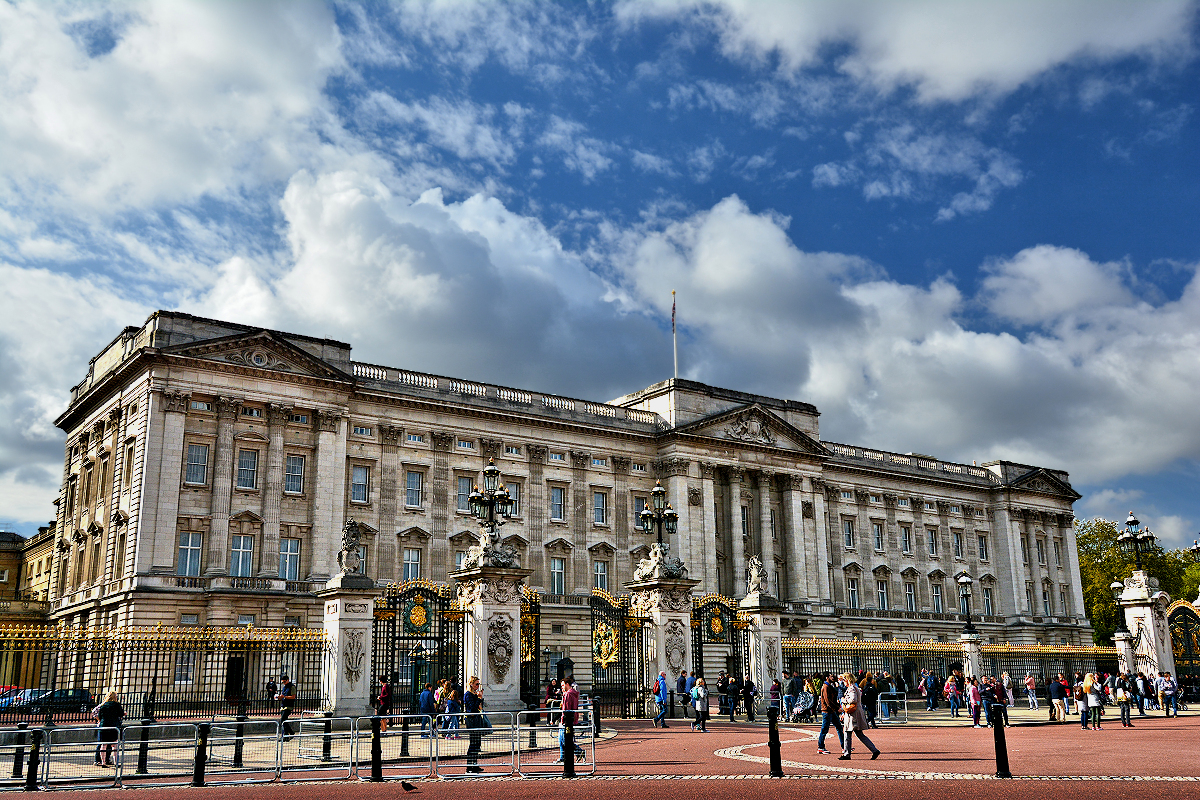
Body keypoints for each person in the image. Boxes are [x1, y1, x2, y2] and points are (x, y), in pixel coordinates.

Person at [837, 673, 880, 760]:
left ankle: (847, 754)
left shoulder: (852, 688)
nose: (844, 682)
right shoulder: (854, 687)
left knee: (847, 733)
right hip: (855, 713)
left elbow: (853, 700)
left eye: (844, 680)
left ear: (848, 680)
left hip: (853, 714)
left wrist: (843, 700)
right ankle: (874, 750)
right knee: (860, 734)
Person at [91, 691, 125, 767]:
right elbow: (121, 713)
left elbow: (99, 716)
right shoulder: (116, 705)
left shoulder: (103, 705)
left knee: (103, 745)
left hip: (104, 726)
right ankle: (116, 763)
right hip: (113, 726)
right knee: (115, 745)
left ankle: (103, 762)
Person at [558, 678, 585, 762]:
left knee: (564, 740)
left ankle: (579, 751)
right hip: (572, 718)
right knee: (562, 739)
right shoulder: (572, 693)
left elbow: (566, 708)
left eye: (563, 685)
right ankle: (563, 757)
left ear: (567, 684)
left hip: (567, 720)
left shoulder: (568, 694)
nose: (562, 687)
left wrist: (563, 720)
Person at [816, 673, 844, 754]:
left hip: (831, 711)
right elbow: (828, 700)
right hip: (827, 711)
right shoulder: (826, 687)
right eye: (831, 676)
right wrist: (837, 708)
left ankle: (844, 746)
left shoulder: (830, 686)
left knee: (839, 727)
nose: (833, 678)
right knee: (824, 729)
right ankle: (820, 746)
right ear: (827, 677)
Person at [464, 676, 485, 773]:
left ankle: (475, 764)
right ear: (471, 684)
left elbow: (479, 706)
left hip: (476, 719)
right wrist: (479, 698)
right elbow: (472, 707)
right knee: (473, 743)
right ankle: (469, 766)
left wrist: (479, 697)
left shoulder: (474, 694)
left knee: (477, 743)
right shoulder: (468, 694)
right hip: (471, 720)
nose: (478, 686)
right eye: (476, 684)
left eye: (478, 684)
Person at [276, 674, 296, 741]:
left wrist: (284, 697)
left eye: (284, 682)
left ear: (288, 680)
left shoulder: (292, 687)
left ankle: (286, 735)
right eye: (283, 682)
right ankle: (288, 734)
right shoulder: (284, 687)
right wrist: (279, 697)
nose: (284, 683)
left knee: (282, 720)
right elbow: (283, 695)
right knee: (284, 721)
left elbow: (293, 697)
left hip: (289, 706)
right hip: (283, 705)